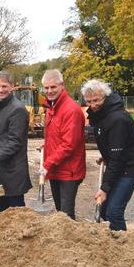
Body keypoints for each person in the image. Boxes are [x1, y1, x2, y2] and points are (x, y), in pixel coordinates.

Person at [83, 79, 134, 231]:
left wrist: (104, 189)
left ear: (106, 97)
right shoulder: (100, 115)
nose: (93, 105)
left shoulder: (117, 119)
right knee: (104, 210)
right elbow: (113, 146)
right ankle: (111, 241)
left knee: (114, 211)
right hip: (116, 162)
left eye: (96, 100)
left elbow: (118, 156)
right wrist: (106, 155)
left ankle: (121, 248)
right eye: (89, 101)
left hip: (130, 166)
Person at [41, 69, 86, 219]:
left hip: (69, 171)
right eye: (46, 87)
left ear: (62, 85)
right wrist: (46, 147)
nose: (49, 91)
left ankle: (71, 242)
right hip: (56, 168)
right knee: (60, 212)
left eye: (53, 87)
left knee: (66, 215)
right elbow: (56, 137)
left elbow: (69, 145)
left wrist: (47, 164)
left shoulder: (71, 110)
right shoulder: (51, 108)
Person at [0, 70, 32, 211]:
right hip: (0, 170)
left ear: (12, 86)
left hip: (13, 172)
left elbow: (15, 141)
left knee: (16, 216)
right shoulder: (0, 105)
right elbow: (4, 131)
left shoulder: (17, 109)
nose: (1, 90)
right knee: (2, 215)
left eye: (4, 86)